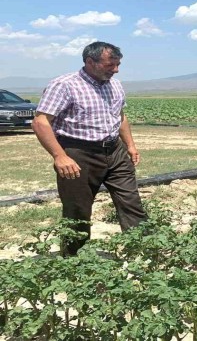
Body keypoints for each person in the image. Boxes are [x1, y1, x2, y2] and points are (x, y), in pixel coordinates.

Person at [31, 41, 147, 256]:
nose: (116, 69)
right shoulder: (64, 85)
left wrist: (130, 145)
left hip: (115, 150)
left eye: (118, 64)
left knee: (131, 201)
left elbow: (120, 116)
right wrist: (59, 156)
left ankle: (144, 249)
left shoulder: (115, 84)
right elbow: (40, 122)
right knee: (78, 209)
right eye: (109, 65)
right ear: (90, 62)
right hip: (78, 153)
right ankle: (74, 259)